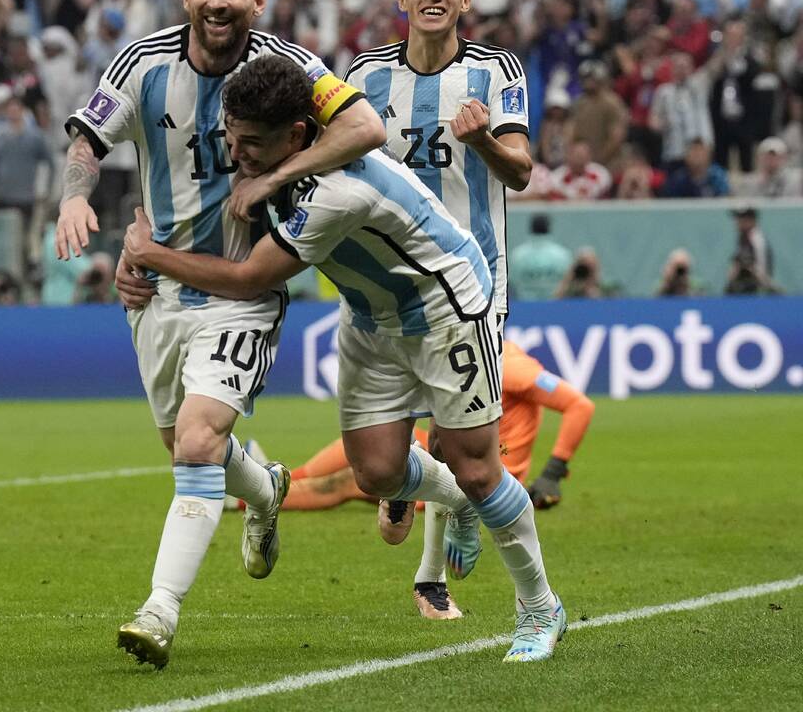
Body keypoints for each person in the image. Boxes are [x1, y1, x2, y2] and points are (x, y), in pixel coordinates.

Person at [123, 55, 565, 663]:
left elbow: (252, 278)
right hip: (368, 315)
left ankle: (539, 607)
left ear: (297, 136)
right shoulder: (271, 152)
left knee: (479, 467)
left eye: (252, 143)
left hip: (444, 306)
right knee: (377, 473)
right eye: (233, 135)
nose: (237, 152)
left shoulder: (336, 191)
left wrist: (149, 254)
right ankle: (455, 500)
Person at [55, 0, 387, 669]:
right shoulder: (142, 63)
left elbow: (366, 126)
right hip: (155, 290)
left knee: (199, 444)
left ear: (258, 0)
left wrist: (272, 179)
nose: (217, 2)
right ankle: (265, 488)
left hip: (246, 288)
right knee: (185, 448)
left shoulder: (292, 68)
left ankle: (158, 612)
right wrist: (72, 204)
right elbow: (85, 144)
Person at [271, 339, 594, 619]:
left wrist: (553, 472)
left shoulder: (507, 365)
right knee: (363, 454)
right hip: (459, 445)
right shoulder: (480, 352)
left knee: (350, 480)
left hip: (485, 469)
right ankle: (269, 479)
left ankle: (259, 491)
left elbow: (580, 405)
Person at [337, 0, 533, 330]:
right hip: (386, 284)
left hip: (472, 284)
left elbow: (521, 172)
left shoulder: (497, 69)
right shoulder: (365, 73)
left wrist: (482, 141)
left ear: (465, 1)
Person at [509, 214, 572, 301]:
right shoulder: (563, 255)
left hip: (525, 307)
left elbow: (513, 282)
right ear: (549, 228)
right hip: (555, 306)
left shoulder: (517, 255)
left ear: (531, 228)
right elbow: (567, 282)